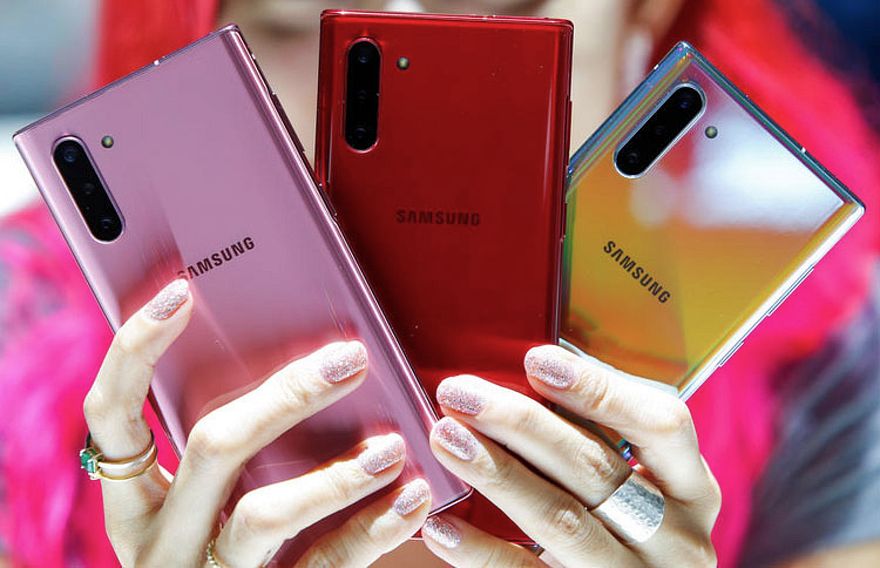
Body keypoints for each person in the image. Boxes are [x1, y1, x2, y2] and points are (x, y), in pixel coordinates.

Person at [1, 0, 878, 566]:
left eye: (501, 8)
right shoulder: (16, 314)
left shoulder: (838, 356)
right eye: (302, 19)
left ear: (647, 23)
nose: (405, 48)